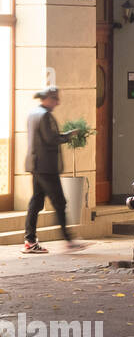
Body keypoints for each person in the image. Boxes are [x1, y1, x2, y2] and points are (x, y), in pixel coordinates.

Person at [23, 87, 86, 254]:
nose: (57, 102)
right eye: (55, 99)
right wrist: (69, 135)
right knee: (59, 202)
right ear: (47, 99)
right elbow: (51, 139)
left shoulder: (33, 113)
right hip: (46, 167)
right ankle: (68, 240)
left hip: (36, 165)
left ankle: (30, 241)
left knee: (36, 201)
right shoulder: (44, 115)